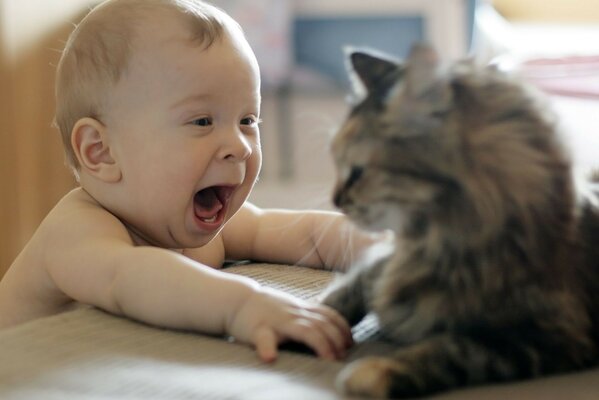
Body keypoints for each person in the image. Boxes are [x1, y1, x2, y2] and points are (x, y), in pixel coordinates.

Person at [0, 0, 381, 363]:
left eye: (248, 120)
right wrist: (243, 305)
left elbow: (304, 235)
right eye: (202, 121)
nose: (239, 146)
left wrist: (382, 250)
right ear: (102, 151)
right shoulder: (76, 231)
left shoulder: (200, 227)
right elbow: (132, 278)